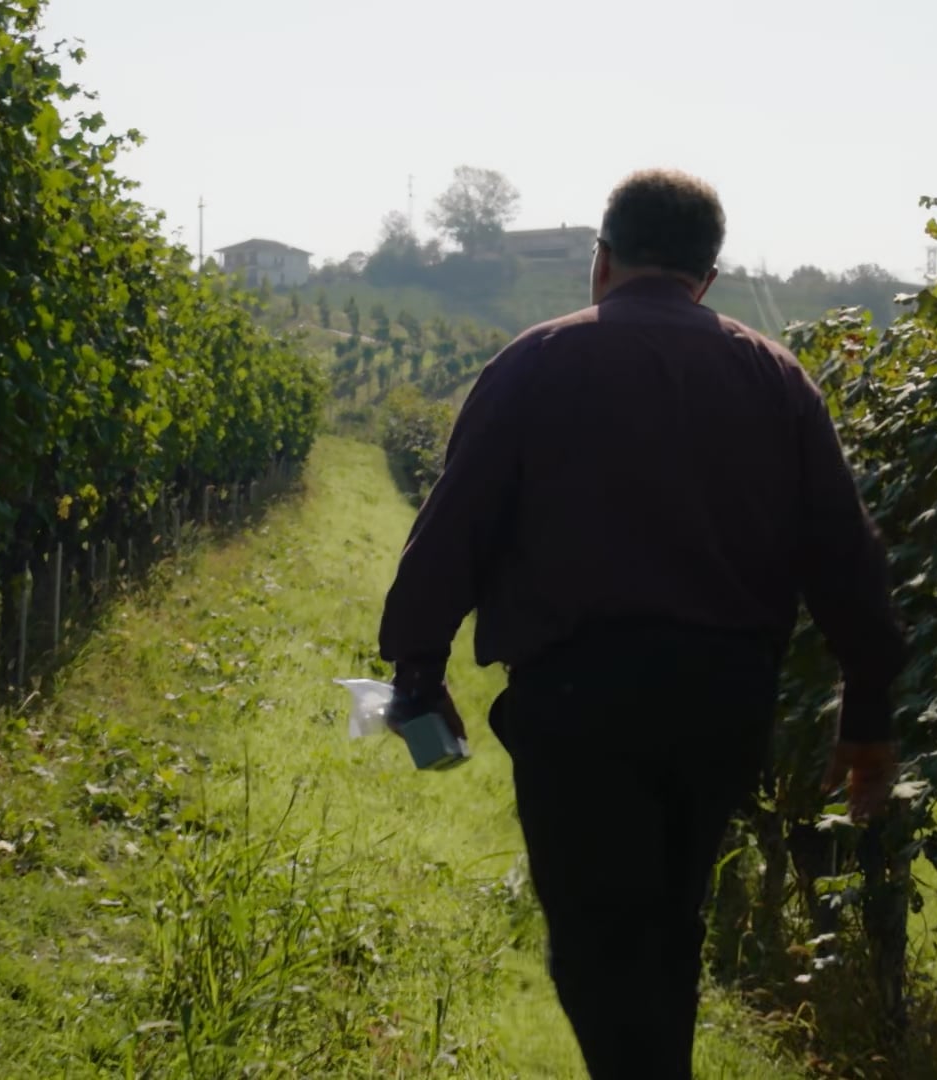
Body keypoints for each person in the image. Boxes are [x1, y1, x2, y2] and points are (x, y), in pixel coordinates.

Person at [375, 168, 906, 1080]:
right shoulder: (775, 376)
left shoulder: (538, 361)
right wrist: (868, 719)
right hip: (723, 704)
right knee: (671, 924)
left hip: (581, 700)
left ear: (602, 260)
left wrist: (418, 671)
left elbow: (455, 526)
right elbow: (848, 562)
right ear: (708, 274)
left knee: (594, 942)